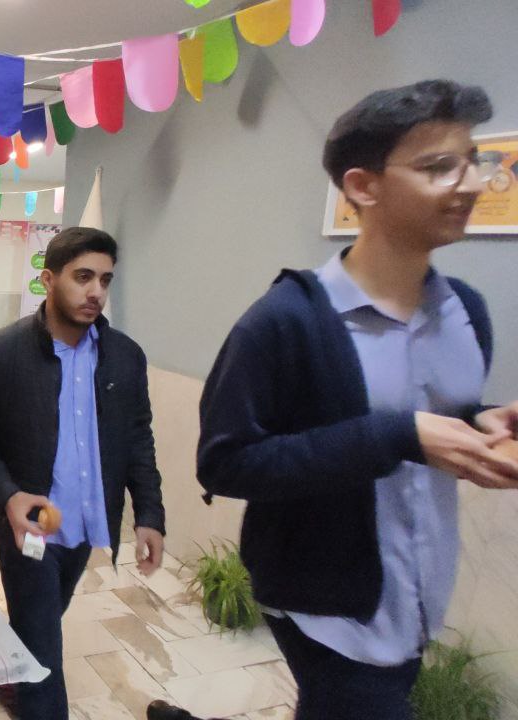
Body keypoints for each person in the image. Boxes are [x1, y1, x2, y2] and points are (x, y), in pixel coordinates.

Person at [188, 80, 518, 720]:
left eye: (474, 161)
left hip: (418, 592)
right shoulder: (285, 321)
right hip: (326, 606)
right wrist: (398, 436)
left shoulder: (467, 312)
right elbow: (226, 463)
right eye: (439, 167)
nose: (472, 184)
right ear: (363, 186)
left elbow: (425, 413)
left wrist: (481, 423)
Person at [0, 227, 167, 720]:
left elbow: (138, 436)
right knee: (45, 658)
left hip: (86, 523)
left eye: (105, 280)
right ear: (48, 279)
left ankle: (16, 667)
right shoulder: (2, 352)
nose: (96, 292)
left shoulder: (125, 356)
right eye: (82, 277)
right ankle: (29, 683)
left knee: (42, 623)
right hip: (28, 529)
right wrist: (8, 494)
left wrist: (149, 514)